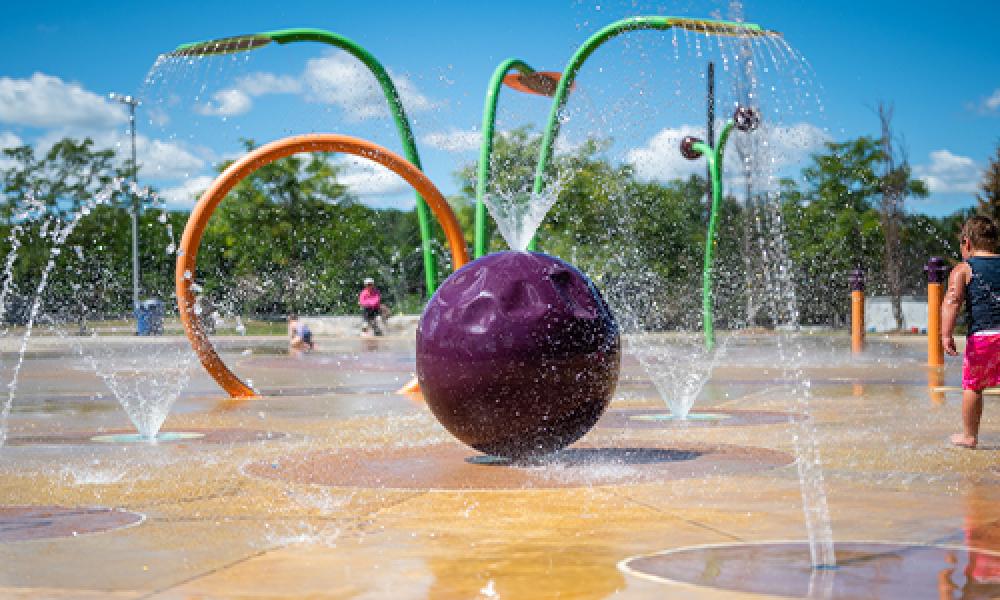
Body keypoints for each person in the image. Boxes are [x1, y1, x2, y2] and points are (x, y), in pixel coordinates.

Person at [941, 215, 1000, 449]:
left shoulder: (964, 269)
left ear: (967, 243)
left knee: (973, 386)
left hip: (983, 338)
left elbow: (952, 301)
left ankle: (969, 436)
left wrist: (946, 334)